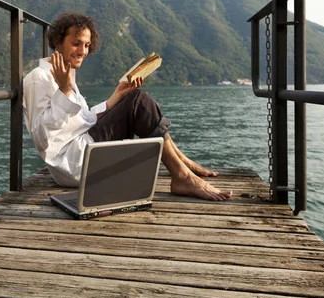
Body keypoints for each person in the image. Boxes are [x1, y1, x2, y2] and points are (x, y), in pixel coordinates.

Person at [23, 11, 232, 201]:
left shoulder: (66, 75)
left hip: (84, 145)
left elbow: (82, 120)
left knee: (133, 97)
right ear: (59, 41)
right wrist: (64, 91)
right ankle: (182, 175)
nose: (83, 51)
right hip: (74, 163)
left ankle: (181, 162)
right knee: (138, 102)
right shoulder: (38, 78)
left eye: (87, 45)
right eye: (76, 43)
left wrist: (116, 96)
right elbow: (43, 139)